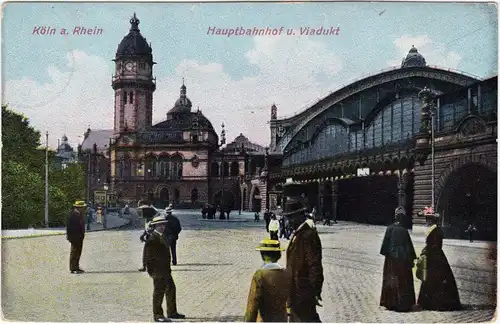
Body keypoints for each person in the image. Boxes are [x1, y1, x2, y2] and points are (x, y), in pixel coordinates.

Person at [282, 197, 323, 322]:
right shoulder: (299, 233)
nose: (287, 221)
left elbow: (314, 265)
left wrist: (314, 291)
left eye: (290, 217)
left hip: (303, 292)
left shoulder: (308, 235)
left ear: (298, 216)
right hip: (296, 291)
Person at [145, 215, 186, 322]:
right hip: (158, 271)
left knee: (171, 289)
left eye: (163, 225)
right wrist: (153, 272)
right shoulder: (152, 238)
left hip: (165, 270)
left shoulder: (162, 236)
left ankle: (172, 312)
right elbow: (148, 257)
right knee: (159, 292)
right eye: (159, 225)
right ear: (154, 226)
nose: (162, 227)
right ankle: (158, 315)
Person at [417, 214, 462, 311]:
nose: (427, 222)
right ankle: (428, 302)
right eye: (427, 220)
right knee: (431, 278)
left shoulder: (436, 230)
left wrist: (426, 250)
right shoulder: (433, 229)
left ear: (433, 221)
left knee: (435, 278)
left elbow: (436, 245)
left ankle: (435, 303)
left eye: (428, 220)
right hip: (433, 256)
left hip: (435, 257)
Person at [379, 206, 417, 312]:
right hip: (402, 261)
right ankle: (403, 304)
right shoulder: (404, 231)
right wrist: (411, 260)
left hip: (391, 261)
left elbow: (384, 248)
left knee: (390, 280)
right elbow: (409, 248)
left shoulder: (389, 229)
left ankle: (389, 303)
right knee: (402, 281)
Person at [244, 239, 291, 322]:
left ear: (262, 255)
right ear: (279, 255)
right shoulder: (286, 273)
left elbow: (253, 304)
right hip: (282, 319)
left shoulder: (260, 275)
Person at [66, 200, 87, 274]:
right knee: (74, 253)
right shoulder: (73, 215)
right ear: (78, 208)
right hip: (75, 237)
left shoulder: (79, 215)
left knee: (78, 253)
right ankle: (73, 268)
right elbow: (69, 228)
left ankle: (76, 267)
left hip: (79, 237)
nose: (84, 209)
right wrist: (70, 237)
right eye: (83, 207)